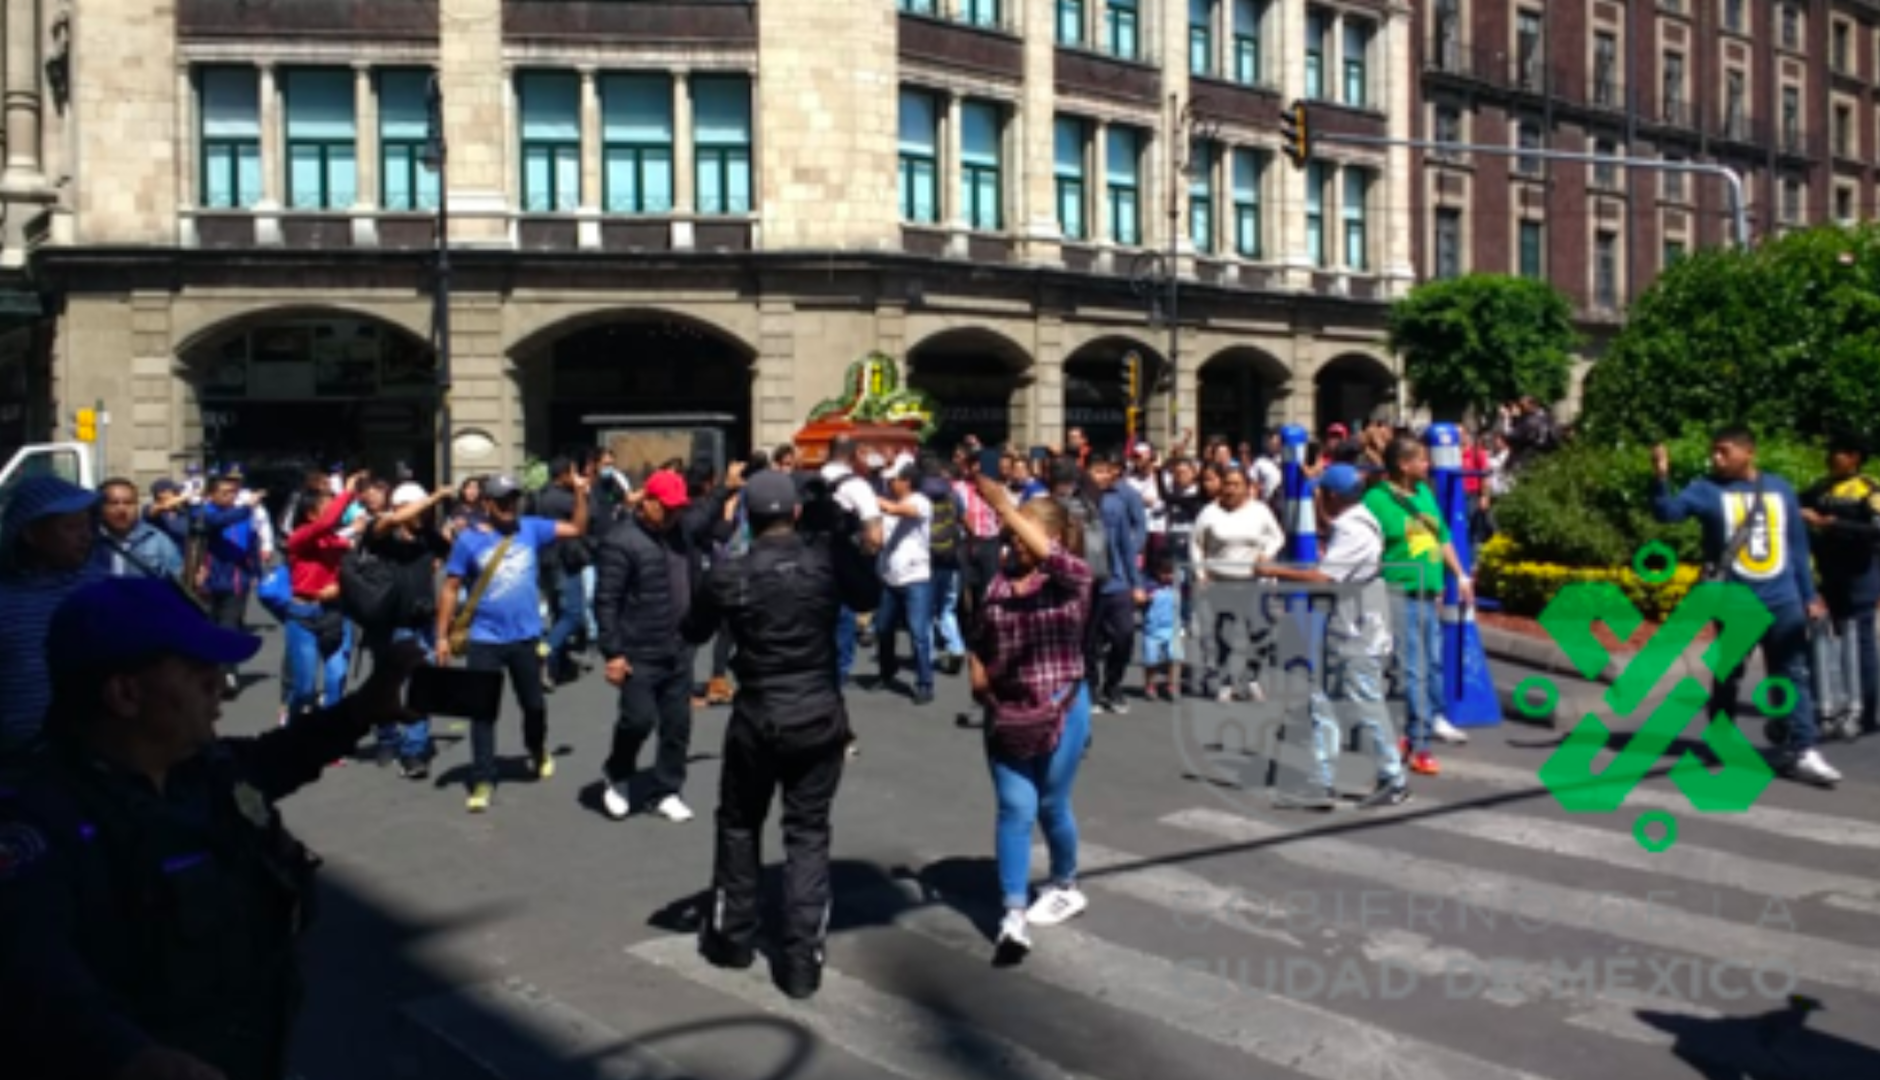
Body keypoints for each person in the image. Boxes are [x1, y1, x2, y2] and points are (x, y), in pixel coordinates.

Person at [0, 576, 422, 1080]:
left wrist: (362, 710)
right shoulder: (39, 819)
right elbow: (35, 974)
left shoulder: (198, 769)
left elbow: (275, 759)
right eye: (200, 673)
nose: (221, 686)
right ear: (125, 694)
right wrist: (131, 1057)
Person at [686, 470, 880, 1000]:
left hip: (759, 711)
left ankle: (733, 939)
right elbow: (870, 591)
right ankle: (800, 961)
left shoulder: (733, 572)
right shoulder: (824, 559)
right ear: (794, 512)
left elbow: (693, 629)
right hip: (818, 711)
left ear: (746, 515)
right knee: (808, 832)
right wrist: (836, 531)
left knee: (740, 823)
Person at [1653, 427, 1839, 785]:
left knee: (1792, 672)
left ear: (1748, 452)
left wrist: (1809, 595)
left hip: (1782, 599)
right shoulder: (1706, 489)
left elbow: (1796, 547)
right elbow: (1668, 513)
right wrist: (1661, 476)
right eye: (1714, 452)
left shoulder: (1780, 488)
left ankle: (1803, 748)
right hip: (1735, 602)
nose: (1716, 458)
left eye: (1724, 451)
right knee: (1729, 675)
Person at [967, 471, 1095, 960]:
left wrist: (1005, 507)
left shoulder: (1071, 579)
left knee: (1050, 805)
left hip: (1061, 706)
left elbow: (1057, 561)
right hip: (1008, 710)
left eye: (1020, 534)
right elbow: (978, 634)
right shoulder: (999, 583)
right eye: (1009, 535)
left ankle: (1065, 883)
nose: (1011, 544)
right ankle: (1013, 912)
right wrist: (977, 672)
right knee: (1015, 807)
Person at [435, 473, 588, 813]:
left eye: (513, 500)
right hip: (484, 639)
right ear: (487, 503)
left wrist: (579, 494)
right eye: (502, 501)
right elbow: (449, 588)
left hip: (525, 637)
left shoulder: (530, 527)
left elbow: (576, 529)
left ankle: (536, 748)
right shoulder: (467, 541)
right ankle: (483, 778)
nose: (509, 506)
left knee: (533, 704)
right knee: (482, 713)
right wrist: (442, 637)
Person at [1258, 464, 1410, 807]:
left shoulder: (1354, 528)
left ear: (1334, 496)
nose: (1317, 498)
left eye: (1321, 492)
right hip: (1345, 628)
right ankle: (1321, 779)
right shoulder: (1352, 524)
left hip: (1359, 632)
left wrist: (1273, 570)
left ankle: (1393, 778)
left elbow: (1325, 579)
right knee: (1321, 702)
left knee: (1365, 704)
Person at [1362, 436, 1474, 775]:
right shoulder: (1376, 501)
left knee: (1433, 664)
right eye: (1422, 460)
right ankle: (1420, 742)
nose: (1428, 465)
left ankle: (1418, 731)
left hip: (1428, 594)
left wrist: (1460, 575)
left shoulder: (1424, 495)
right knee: (1412, 670)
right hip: (1398, 593)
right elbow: (1363, 542)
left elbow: (1441, 539)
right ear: (1403, 465)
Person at [595, 470, 699, 823]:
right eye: (666, 508)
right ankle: (617, 772)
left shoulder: (682, 535)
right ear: (648, 502)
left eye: (678, 509)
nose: (673, 515)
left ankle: (667, 789)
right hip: (638, 649)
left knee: (677, 725)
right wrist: (613, 652)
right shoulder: (622, 540)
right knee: (638, 720)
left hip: (679, 646)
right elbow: (607, 599)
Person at [0, 478, 105, 753]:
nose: (86, 535)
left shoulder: (103, 591)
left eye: (87, 525)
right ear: (31, 533)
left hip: (92, 760)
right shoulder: (6, 597)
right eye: (71, 527)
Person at [360, 481, 454, 777]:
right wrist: (435, 497)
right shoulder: (381, 532)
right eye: (417, 508)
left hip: (421, 621)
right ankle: (387, 737)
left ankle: (414, 749)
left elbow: (450, 553)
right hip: (388, 623)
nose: (423, 514)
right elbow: (393, 520)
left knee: (420, 685)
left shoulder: (428, 536)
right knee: (386, 685)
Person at [1799, 433, 1880, 738]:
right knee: (1828, 638)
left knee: (1860, 637)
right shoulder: (1821, 488)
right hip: (1829, 572)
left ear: (1855, 457)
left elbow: (1876, 530)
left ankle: (1868, 712)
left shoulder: (1868, 488)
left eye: (1841, 452)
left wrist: (1832, 523)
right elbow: (1793, 503)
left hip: (1861, 571)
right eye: (1831, 450)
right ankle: (1835, 704)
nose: (1833, 456)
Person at [1190, 464, 1285, 702]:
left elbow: (1277, 536)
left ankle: (1251, 677)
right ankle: (1225, 681)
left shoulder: (1260, 511)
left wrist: (1267, 553)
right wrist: (1200, 573)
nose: (1230, 489)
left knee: (1261, 633)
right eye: (1227, 484)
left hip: (1254, 581)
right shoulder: (1209, 512)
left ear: (1247, 488)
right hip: (1221, 581)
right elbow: (1196, 544)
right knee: (1225, 635)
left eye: (1236, 485)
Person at [1086, 453, 1146, 714]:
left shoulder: (1117, 502)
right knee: (1087, 642)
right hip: (1085, 583)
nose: (1102, 476)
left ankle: (1113, 685)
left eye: (1105, 471)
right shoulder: (1076, 503)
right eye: (1096, 471)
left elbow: (1125, 544)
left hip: (1116, 579)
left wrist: (1136, 582)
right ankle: (1090, 689)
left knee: (1124, 635)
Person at [874, 463, 936, 703]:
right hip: (891, 576)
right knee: (883, 628)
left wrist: (878, 502)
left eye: (895, 479)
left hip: (916, 578)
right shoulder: (890, 505)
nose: (891, 483)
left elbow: (907, 512)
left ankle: (925, 683)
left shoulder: (920, 501)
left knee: (918, 632)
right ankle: (887, 672)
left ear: (907, 481)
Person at [93, 477, 183, 580]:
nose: (122, 509)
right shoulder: (87, 541)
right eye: (113, 503)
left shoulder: (158, 541)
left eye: (128, 503)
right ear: (100, 506)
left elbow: (179, 583)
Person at [1140, 555, 1182, 702]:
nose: (1168, 576)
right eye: (1164, 573)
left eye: (1171, 573)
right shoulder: (1150, 586)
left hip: (1172, 628)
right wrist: (1146, 598)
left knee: (1174, 658)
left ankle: (1172, 685)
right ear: (1157, 572)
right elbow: (1141, 599)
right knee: (1151, 660)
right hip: (1152, 630)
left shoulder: (1177, 585)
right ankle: (1150, 685)